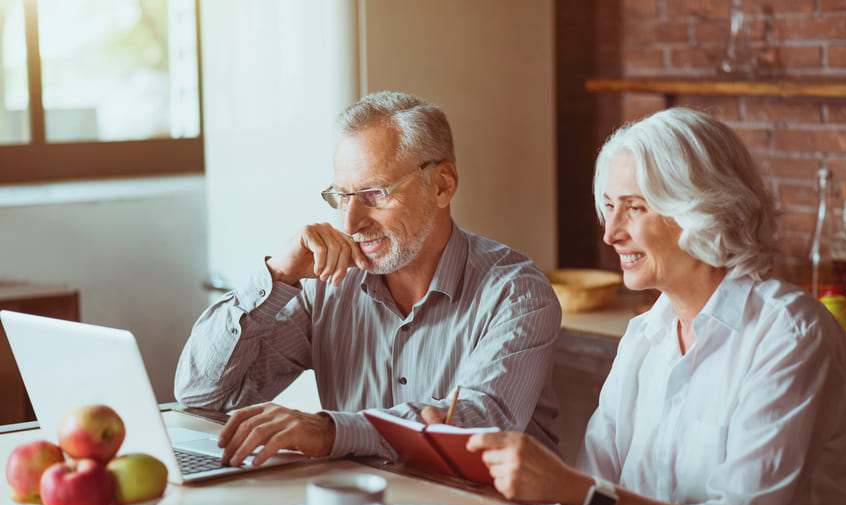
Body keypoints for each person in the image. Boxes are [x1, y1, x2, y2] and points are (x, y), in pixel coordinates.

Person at [467, 107, 846, 505]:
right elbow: (590, 488)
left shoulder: (791, 334)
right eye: (609, 206)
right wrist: (467, 463)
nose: (611, 233)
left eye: (635, 207)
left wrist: (575, 492)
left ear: (700, 208)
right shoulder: (644, 337)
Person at [174, 91, 561, 468]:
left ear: (442, 184)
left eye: (373, 194)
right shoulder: (326, 287)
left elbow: (474, 429)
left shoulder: (517, 293)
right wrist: (277, 274)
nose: (350, 222)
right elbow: (201, 395)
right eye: (342, 196)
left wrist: (330, 432)